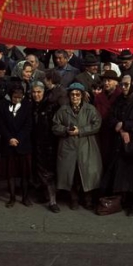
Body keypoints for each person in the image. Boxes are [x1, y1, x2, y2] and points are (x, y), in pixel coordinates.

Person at [102, 74, 133, 216]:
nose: (123, 87)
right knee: (122, 172)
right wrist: (121, 128)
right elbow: (111, 117)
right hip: (120, 142)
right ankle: (123, 200)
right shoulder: (119, 99)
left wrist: (126, 126)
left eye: (126, 85)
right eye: (121, 85)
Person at [53, 82, 103, 210]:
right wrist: (65, 130)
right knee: (71, 174)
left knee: (87, 174)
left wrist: (80, 130)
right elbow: (55, 126)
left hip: (86, 146)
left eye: (77, 94)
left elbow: (96, 125)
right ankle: (73, 199)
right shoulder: (63, 110)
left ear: (82, 96)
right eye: (72, 94)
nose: (75, 97)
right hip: (68, 146)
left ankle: (88, 199)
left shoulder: (90, 109)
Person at [0, 85, 33, 208]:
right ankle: (12, 197)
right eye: (15, 97)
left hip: (23, 144)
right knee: (10, 173)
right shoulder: (2, 105)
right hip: (8, 144)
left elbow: (28, 125)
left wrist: (18, 138)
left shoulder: (27, 105)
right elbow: (0, 124)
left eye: (20, 97)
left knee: (24, 174)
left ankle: (25, 197)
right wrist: (9, 138)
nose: (17, 100)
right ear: (10, 96)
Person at [29, 81, 61, 212]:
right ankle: (43, 194)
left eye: (39, 92)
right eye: (34, 92)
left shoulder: (51, 106)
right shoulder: (30, 106)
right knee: (38, 171)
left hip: (48, 144)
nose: (36, 95)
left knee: (49, 174)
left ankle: (53, 201)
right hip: (33, 144)